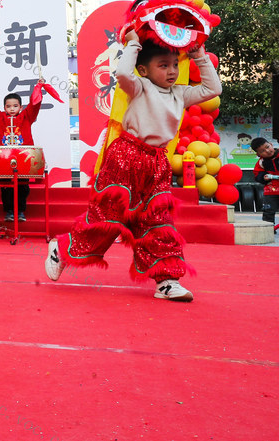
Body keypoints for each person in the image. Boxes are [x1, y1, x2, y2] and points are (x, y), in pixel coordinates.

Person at [45, 31, 222, 301]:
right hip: (124, 157)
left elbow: (213, 90)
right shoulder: (140, 87)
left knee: (159, 222)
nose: (172, 71)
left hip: (156, 164)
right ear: (144, 69)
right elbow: (124, 75)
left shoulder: (180, 94)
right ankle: (61, 249)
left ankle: (167, 281)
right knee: (107, 220)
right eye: (163, 65)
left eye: (175, 64)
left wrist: (199, 56)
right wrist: (133, 43)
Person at [0, 82, 44, 221]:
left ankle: (20, 211)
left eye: (15, 106)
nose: (12, 109)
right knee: (6, 187)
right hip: (3, 160)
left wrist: (38, 89)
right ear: (4, 108)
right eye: (8, 106)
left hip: (22, 160)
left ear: (20, 107)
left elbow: (34, 105)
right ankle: (9, 211)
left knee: (22, 187)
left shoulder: (27, 117)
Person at [251, 137, 279, 232]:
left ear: (271, 144)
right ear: (258, 154)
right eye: (262, 151)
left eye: (267, 147)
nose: (267, 151)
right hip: (271, 190)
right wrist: (263, 177)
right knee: (268, 210)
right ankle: (268, 228)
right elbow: (257, 174)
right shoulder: (261, 163)